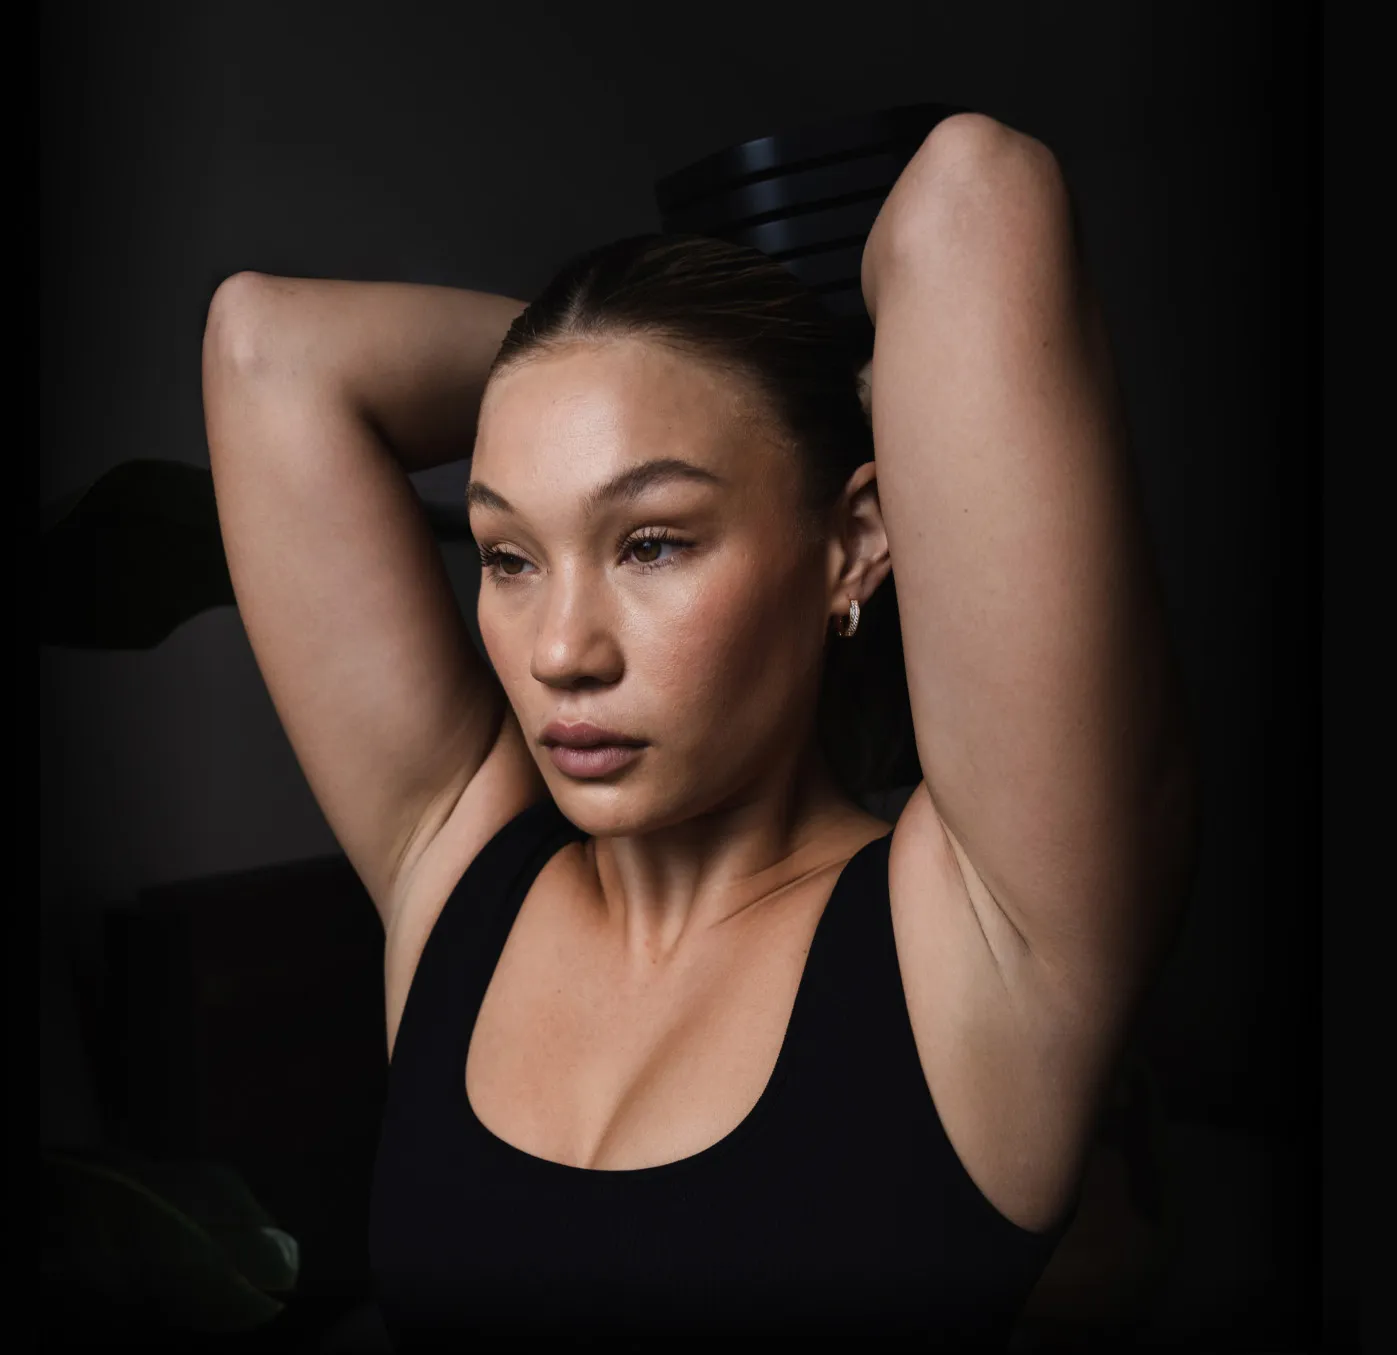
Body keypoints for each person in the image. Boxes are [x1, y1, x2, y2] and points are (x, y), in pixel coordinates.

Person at [201, 112, 1199, 1350]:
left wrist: (753, 383)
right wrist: (650, 357)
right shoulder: (461, 876)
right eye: (509, 555)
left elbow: (976, 202)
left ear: (855, 542)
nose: (561, 650)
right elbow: (265, 349)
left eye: (652, 542)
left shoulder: (982, 939)